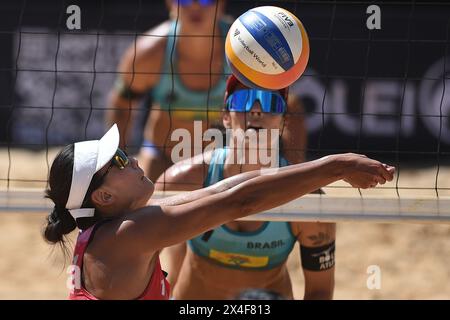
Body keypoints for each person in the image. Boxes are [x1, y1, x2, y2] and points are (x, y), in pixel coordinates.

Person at [43, 124, 394, 300]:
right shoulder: (129, 234)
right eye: (118, 160)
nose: (132, 158)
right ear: (104, 195)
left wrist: (323, 169)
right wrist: (336, 166)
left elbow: (224, 189)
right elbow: (237, 204)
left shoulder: (112, 230)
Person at [156, 75, 338, 299]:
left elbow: (319, 292)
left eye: (271, 102)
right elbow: (139, 258)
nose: (256, 110)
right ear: (225, 117)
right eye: (243, 100)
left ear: (282, 121)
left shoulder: (309, 203)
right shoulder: (182, 181)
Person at [106, 0, 307, 182]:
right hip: (162, 157)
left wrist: (293, 167)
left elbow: (291, 107)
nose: (195, 5)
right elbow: (122, 106)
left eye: (205, 0)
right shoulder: (149, 52)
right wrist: (118, 163)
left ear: (221, 3)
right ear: (170, 4)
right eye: (184, 0)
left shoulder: (247, 48)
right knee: (138, 210)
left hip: (226, 164)